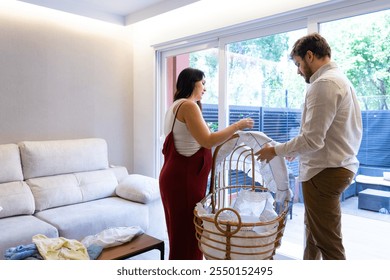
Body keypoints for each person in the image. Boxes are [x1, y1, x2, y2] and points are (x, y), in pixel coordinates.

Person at [256, 33, 362, 260]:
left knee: (328, 243)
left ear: (310, 56)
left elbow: (313, 139)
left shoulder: (324, 84)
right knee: (313, 236)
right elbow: (325, 134)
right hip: (335, 166)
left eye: (298, 64)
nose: (298, 71)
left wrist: (274, 150)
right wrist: (295, 150)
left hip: (325, 172)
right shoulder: (339, 80)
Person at [159, 67, 254, 260]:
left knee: (180, 235)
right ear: (192, 83)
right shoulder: (188, 106)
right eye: (203, 83)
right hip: (184, 180)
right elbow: (208, 140)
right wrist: (237, 126)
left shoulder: (175, 106)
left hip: (176, 178)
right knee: (189, 237)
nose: (204, 88)